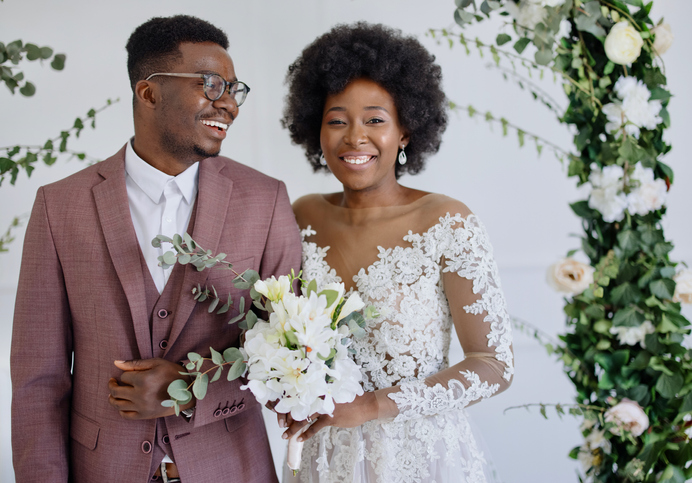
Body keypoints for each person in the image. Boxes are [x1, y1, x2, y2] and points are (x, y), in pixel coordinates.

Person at [11, 15, 301, 482]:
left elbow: (295, 360)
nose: (228, 104)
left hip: (231, 469)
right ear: (148, 93)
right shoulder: (59, 205)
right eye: (210, 84)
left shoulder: (265, 199)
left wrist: (190, 391)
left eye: (233, 88)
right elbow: (37, 381)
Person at [278, 23, 514, 483]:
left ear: (405, 130)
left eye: (375, 119)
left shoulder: (447, 222)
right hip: (324, 461)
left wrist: (371, 406)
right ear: (316, 129)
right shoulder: (301, 215)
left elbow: (494, 364)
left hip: (419, 459)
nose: (354, 137)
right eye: (337, 120)